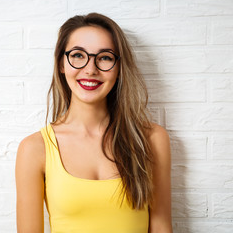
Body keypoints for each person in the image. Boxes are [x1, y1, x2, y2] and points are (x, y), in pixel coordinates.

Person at [15, 13, 172, 233]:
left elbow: (162, 226)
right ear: (61, 63)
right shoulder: (34, 148)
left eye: (105, 57)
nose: (90, 69)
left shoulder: (152, 139)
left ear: (118, 68)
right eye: (78, 55)